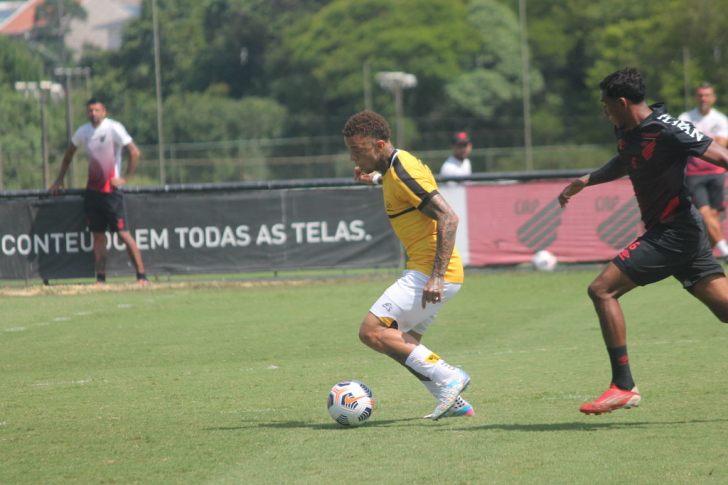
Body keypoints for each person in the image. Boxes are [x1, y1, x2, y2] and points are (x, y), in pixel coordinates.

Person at [558, 68, 728, 415]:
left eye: (606, 104)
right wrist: (586, 180)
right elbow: (625, 161)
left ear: (621, 102)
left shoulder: (669, 128)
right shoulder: (624, 127)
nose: (603, 110)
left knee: (601, 290)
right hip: (682, 234)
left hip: (674, 231)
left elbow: (722, 157)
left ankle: (623, 386)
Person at [343, 110, 472, 420]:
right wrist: (372, 177)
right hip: (430, 270)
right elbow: (393, 179)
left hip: (431, 271)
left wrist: (436, 277)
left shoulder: (402, 171)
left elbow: (449, 217)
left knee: (371, 332)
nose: (353, 159)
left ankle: (450, 377)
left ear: (379, 143)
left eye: (358, 151)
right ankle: (451, 400)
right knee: (403, 345)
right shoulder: (392, 168)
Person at [49, 98, 148, 285]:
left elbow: (134, 152)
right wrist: (59, 178)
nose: (93, 114)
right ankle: (101, 278)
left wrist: (124, 178)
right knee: (98, 236)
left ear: (104, 111)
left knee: (123, 234)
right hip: (93, 193)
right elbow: (68, 155)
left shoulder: (114, 128)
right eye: (90, 110)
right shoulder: (83, 131)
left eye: (97, 110)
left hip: (111, 192)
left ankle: (141, 276)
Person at [679, 83, 728, 262]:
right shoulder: (685, 117)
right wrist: (710, 140)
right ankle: (725, 250)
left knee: (714, 216)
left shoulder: (720, 119)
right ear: (696, 97)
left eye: (707, 95)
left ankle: (705, 257)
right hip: (694, 174)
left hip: (716, 172)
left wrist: (697, 141)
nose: (703, 99)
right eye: (700, 95)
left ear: (713, 97)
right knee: (705, 213)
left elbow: (721, 145)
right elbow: (684, 144)